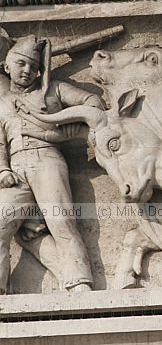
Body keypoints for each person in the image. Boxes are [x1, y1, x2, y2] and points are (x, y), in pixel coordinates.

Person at [0, 35, 102, 292]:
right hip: (15, 170)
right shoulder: (1, 103)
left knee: (62, 222)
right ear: (6, 67)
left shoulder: (55, 89)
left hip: (47, 161)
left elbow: (94, 103)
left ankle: (80, 284)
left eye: (34, 67)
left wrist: (61, 128)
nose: (27, 71)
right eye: (22, 64)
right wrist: (2, 169)